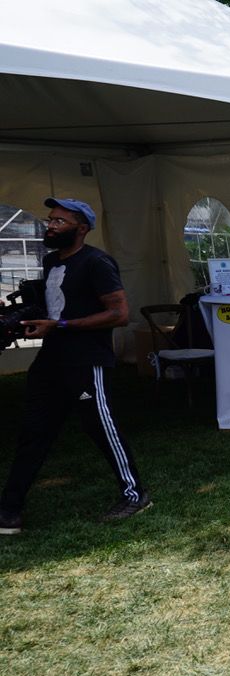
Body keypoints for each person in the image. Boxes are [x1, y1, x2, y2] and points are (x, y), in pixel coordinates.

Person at [1, 198, 149, 535]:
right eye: (49, 220)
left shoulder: (97, 263)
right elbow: (55, 305)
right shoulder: (52, 260)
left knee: (102, 428)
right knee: (34, 431)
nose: (50, 226)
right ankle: (9, 509)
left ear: (81, 228)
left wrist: (62, 326)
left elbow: (120, 314)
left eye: (59, 222)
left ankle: (135, 494)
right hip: (51, 360)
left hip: (85, 360)